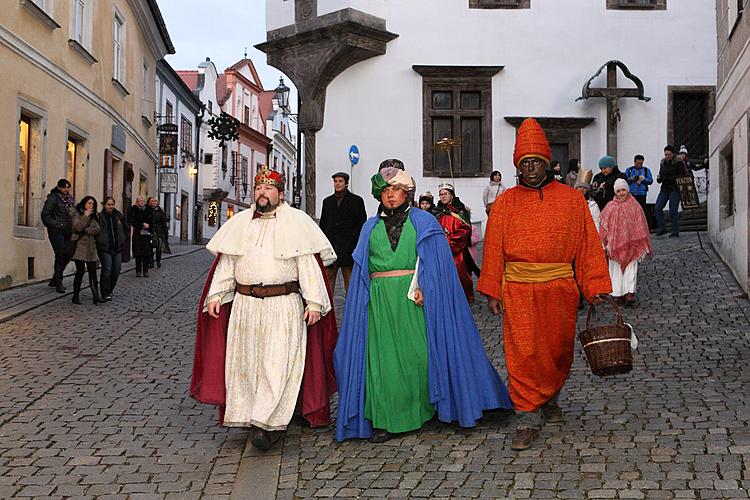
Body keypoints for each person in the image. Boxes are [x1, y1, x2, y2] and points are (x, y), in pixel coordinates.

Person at [334, 164, 512, 443]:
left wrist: (426, 288)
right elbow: (361, 271)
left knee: (417, 356)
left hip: (413, 299)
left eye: (396, 190)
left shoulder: (424, 222)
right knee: (383, 361)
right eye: (385, 191)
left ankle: (422, 409)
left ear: (407, 193)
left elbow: (437, 264)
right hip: (380, 302)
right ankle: (389, 417)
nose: (390, 195)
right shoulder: (370, 226)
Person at [478, 118, 611, 451]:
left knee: (557, 351)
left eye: (536, 161)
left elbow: (587, 245)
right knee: (523, 350)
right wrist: (493, 287)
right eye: (525, 163)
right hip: (519, 289)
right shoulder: (506, 202)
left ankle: (548, 395)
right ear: (517, 167)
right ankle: (526, 413)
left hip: (560, 289)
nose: (531, 168)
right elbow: (493, 246)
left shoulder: (571, 200)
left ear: (548, 163)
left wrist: (594, 285)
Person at [191, 167, 338, 451]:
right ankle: (249, 416)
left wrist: (315, 302)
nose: (262, 192)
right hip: (245, 306)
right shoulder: (241, 223)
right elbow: (228, 264)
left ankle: (267, 424)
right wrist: (216, 296)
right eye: (259, 187)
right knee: (245, 365)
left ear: (281, 195)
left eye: (269, 188)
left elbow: (307, 265)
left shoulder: (297, 223)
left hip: (283, 306)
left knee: (276, 364)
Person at [600, 179, 653, 307]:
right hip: (614, 245)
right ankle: (617, 294)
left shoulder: (635, 205)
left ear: (627, 189)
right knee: (616, 270)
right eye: (618, 191)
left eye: (623, 190)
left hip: (632, 244)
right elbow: (603, 226)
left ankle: (629, 293)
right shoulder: (610, 207)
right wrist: (603, 241)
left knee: (631, 269)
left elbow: (641, 224)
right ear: (615, 192)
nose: (621, 193)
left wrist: (641, 240)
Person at [319, 172, 367, 293]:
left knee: (350, 282)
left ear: (346, 183)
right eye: (335, 181)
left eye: (340, 181)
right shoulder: (327, 201)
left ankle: (352, 310)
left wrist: (356, 243)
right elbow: (323, 224)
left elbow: (362, 224)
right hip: (330, 249)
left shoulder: (356, 201)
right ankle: (328, 311)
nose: (337, 184)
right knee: (328, 283)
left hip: (349, 248)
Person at [435, 183, 480, 302]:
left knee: (461, 275)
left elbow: (465, 229)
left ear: (452, 195)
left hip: (457, 251)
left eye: (445, 194)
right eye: (440, 194)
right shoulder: (438, 211)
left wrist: (449, 241)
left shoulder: (460, 211)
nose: (443, 197)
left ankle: (464, 298)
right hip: (441, 250)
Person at [41, 179, 75, 293]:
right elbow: (45, 215)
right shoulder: (53, 198)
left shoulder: (70, 199)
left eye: (68, 187)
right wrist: (56, 224)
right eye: (64, 187)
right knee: (60, 255)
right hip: (56, 231)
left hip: (67, 231)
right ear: (59, 187)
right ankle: (59, 282)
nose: (66, 190)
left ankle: (55, 279)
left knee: (68, 255)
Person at [69, 196, 102, 305]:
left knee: (93, 271)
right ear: (84, 203)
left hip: (91, 247)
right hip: (80, 246)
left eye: (93, 204)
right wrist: (85, 216)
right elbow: (77, 227)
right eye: (89, 203)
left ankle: (96, 295)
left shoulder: (94, 216)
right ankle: (76, 295)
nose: (91, 205)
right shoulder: (76, 213)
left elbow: (97, 229)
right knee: (80, 271)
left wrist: (86, 230)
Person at [96, 197, 127, 302]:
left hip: (117, 247)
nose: (110, 206)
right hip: (105, 247)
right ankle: (104, 293)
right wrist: (100, 241)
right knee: (107, 269)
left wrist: (123, 239)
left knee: (117, 270)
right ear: (104, 205)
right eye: (108, 204)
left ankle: (110, 290)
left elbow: (125, 228)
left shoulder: (118, 216)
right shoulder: (100, 217)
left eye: (112, 204)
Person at [654, 145, 686, 237]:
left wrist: (668, 178)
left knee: (673, 210)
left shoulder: (678, 163)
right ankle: (662, 228)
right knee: (658, 208)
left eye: (669, 154)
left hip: (675, 189)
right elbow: (661, 175)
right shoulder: (663, 163)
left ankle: (675, 230)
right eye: (666, 154)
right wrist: (659, 178)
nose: (667, 156)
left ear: (673, 154)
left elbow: (681, 176)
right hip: (664, 188)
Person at [127, 196, 151, 277]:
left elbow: (153, 221)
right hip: (137, 233)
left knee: (146, 252)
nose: (141, 202)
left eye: (143, 201)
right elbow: (131, 221)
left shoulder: (148, 210)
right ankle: (138, 270)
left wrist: (149, 226)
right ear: (137, 202)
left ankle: (145, 270)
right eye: (140, 201)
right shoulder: (133, 210)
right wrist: (141, 225)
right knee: (137, 253)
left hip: (147, 234)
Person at [146, 197, 169, 269]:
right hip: (149, 231)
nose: (154, 202)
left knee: (159, 247)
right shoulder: (146, 210)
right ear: (149, 202)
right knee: (149, 247)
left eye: (155, 201)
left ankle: (158, 260)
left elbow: (163, 222)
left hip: (159, 231)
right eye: (152, 201)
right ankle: (151, 261)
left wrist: (166, 233)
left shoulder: (160, 211)